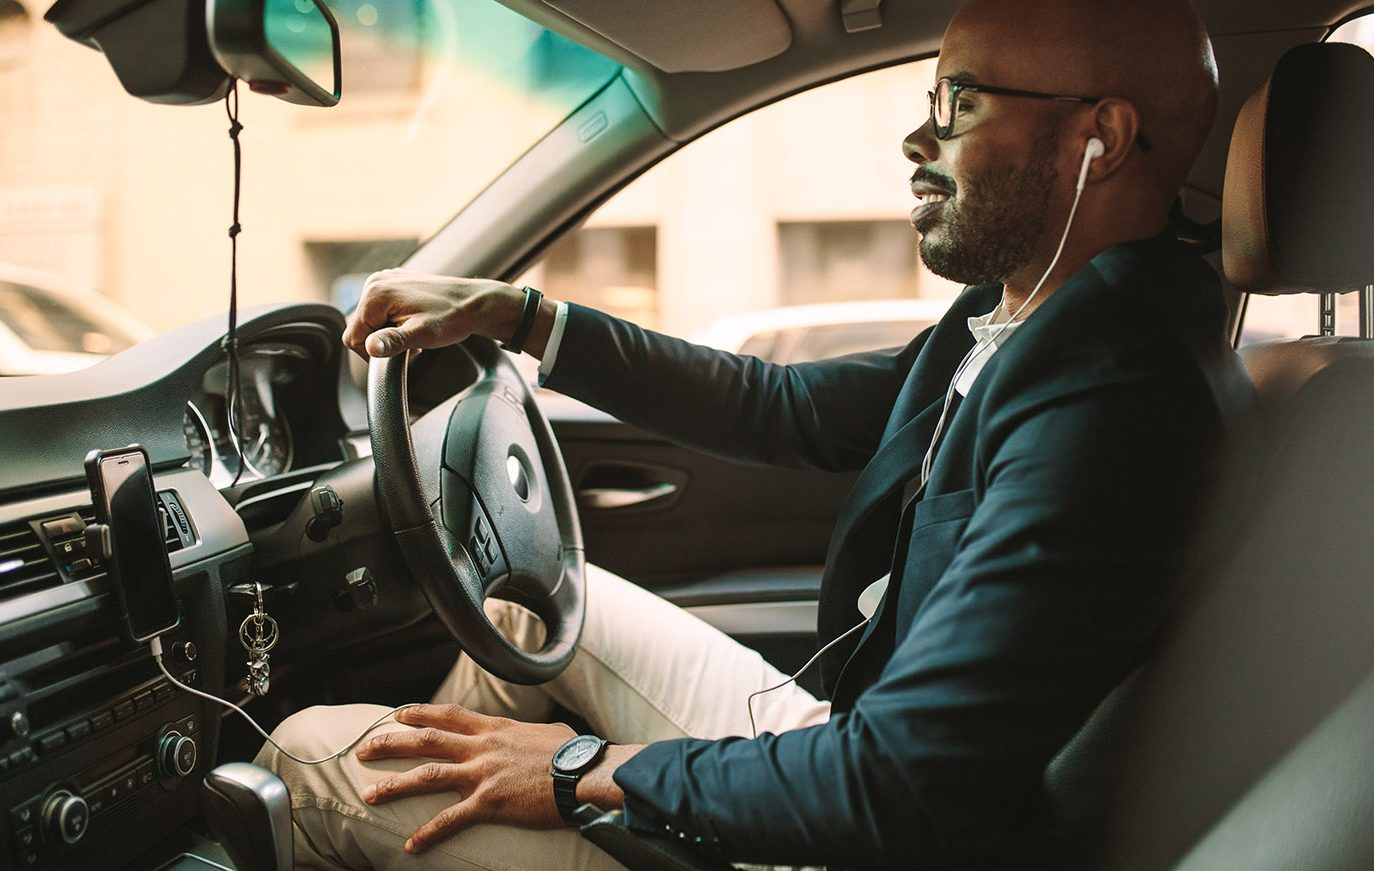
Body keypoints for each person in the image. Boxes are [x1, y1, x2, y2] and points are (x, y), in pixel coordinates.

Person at [257, 0, 1253, 867]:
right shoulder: (1034, 315)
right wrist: (522, 316)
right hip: (848, 746)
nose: (919, 138)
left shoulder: (1113, 392)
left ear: (1100, 137)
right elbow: (785, 406)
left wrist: (574, 772)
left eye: (960, 101)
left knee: (309, 761)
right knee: (527, 611)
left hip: (871, 829)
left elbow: (902, 785)